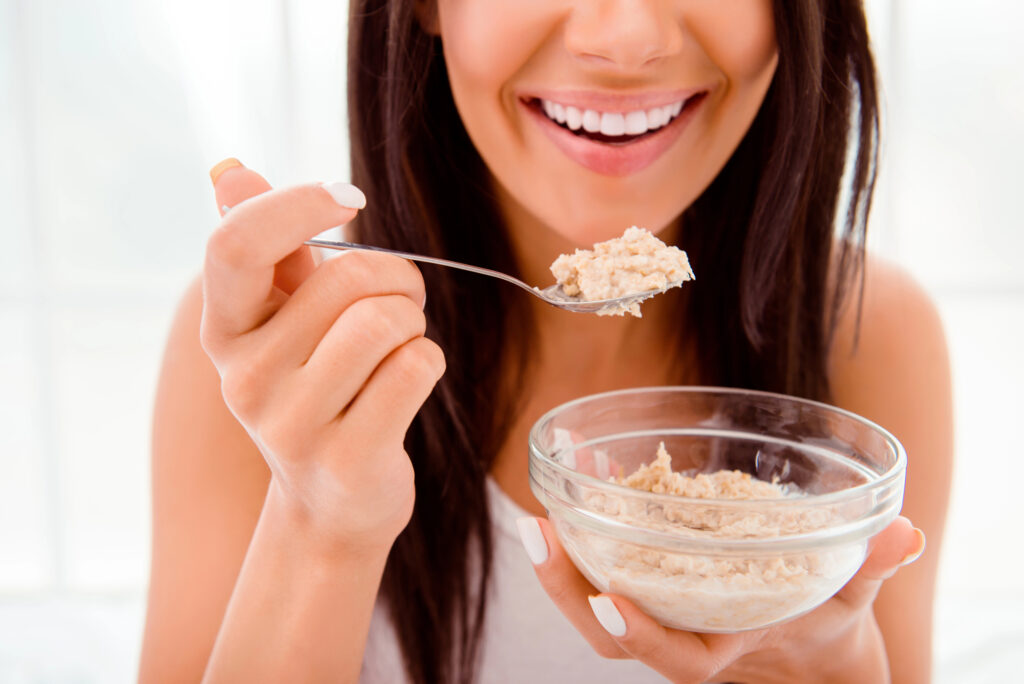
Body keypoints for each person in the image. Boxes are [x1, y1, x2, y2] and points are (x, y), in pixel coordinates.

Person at [138, 0, 952, 682]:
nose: (628, 37)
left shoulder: (868, 333)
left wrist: (829, 653)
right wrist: (321, 522)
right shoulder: (288, 350)